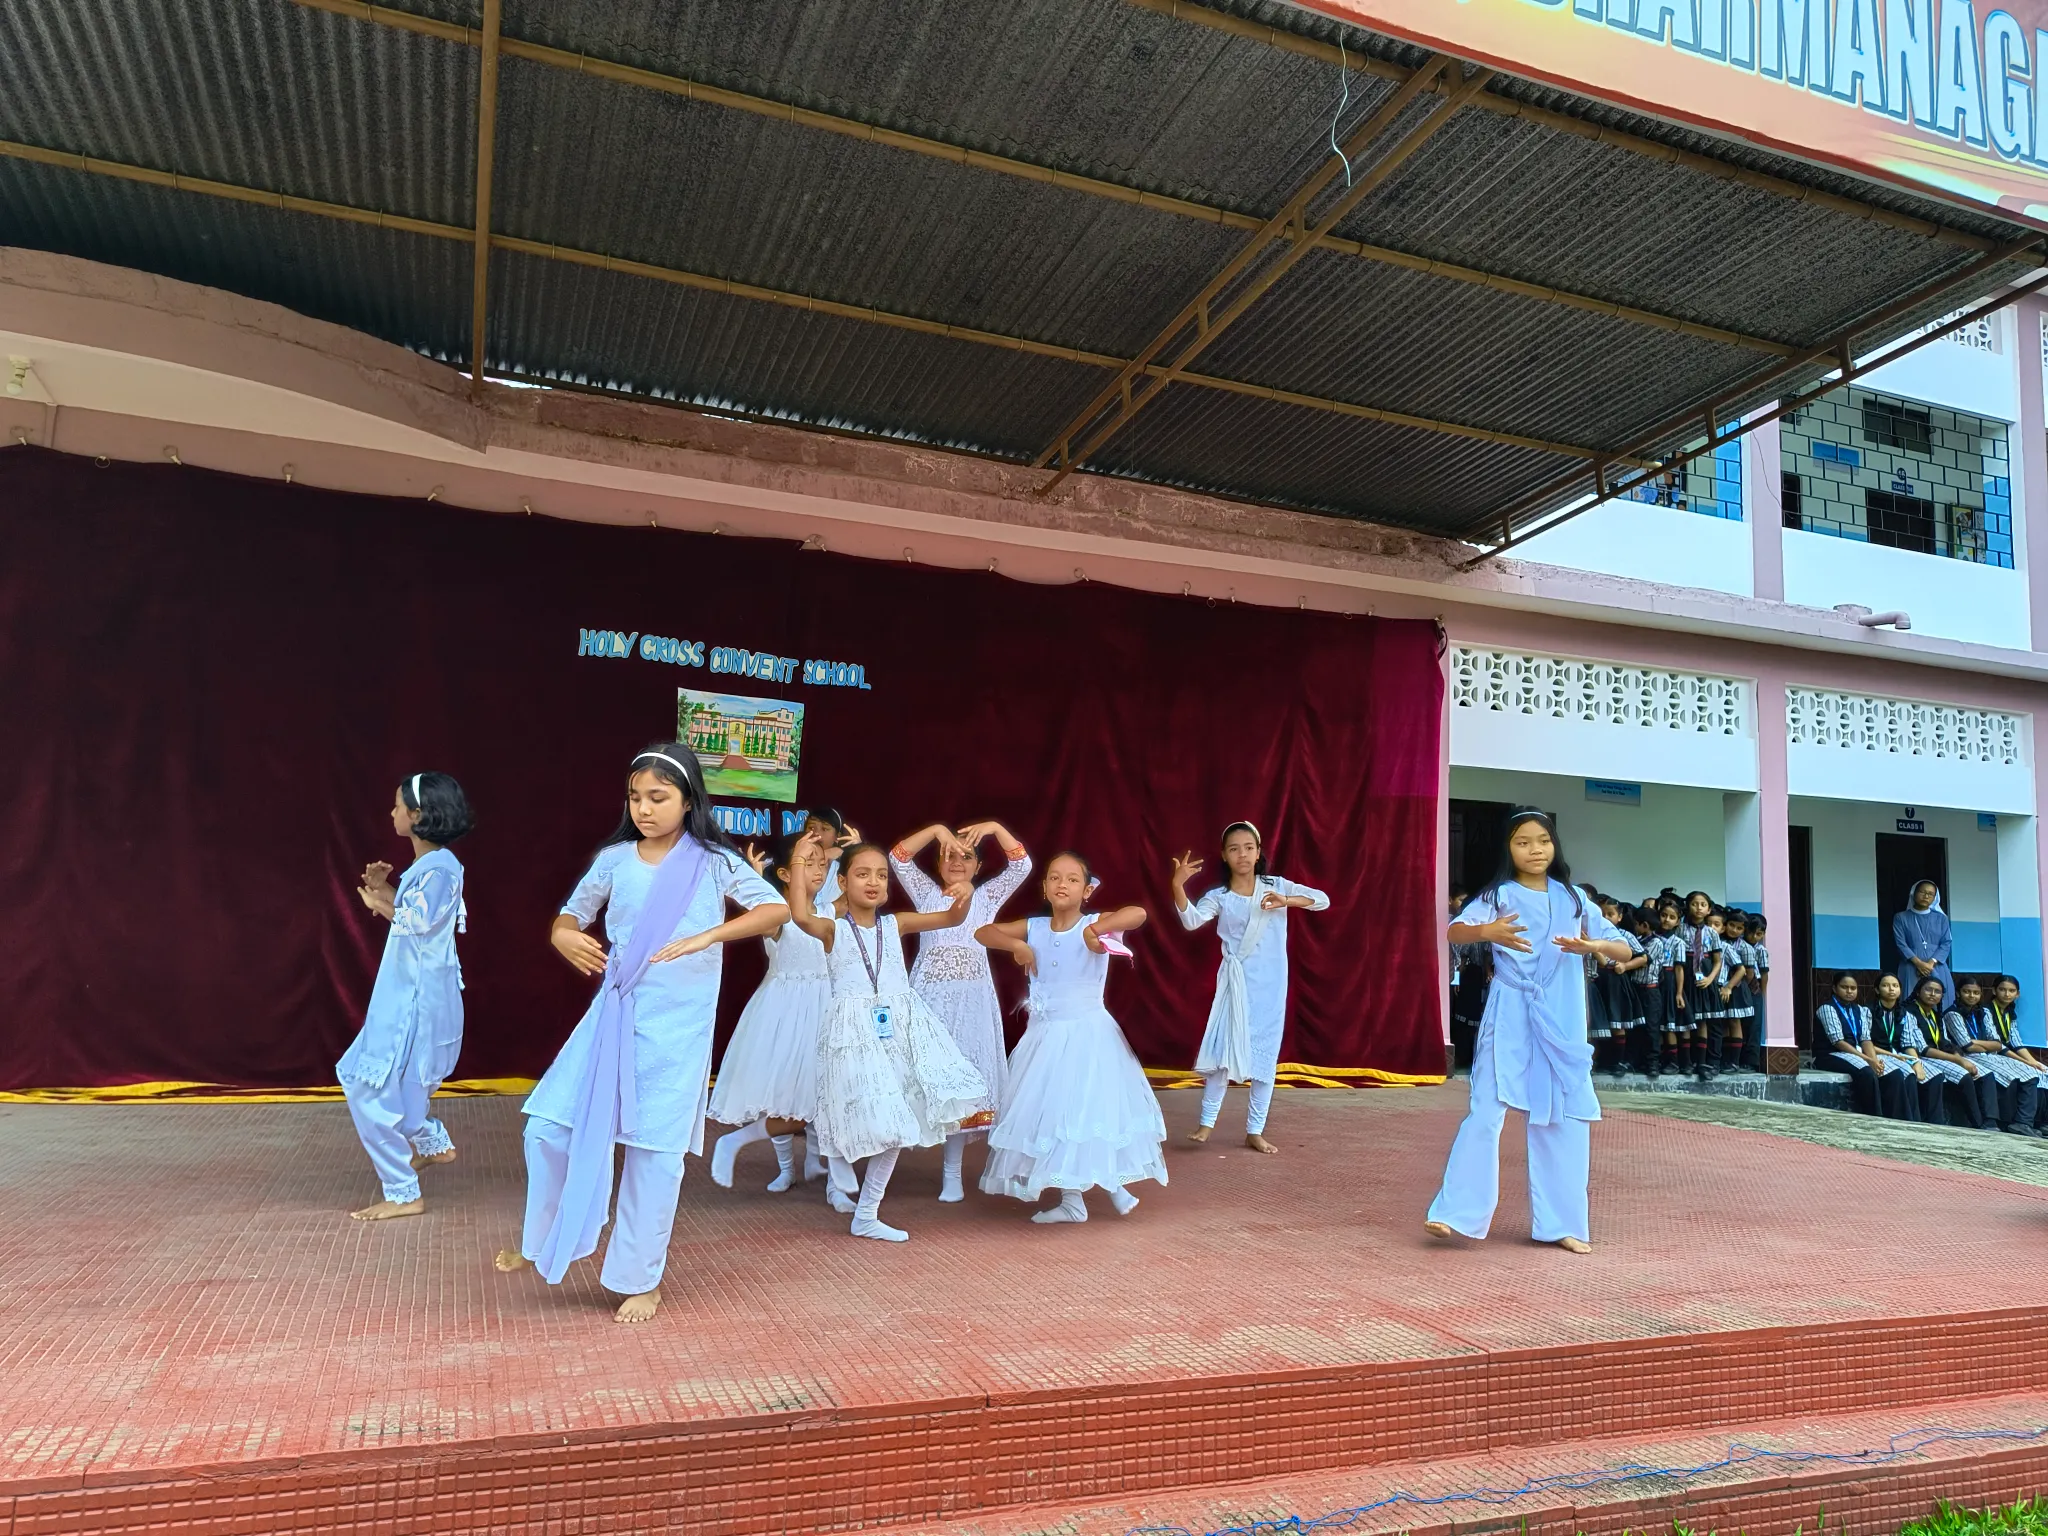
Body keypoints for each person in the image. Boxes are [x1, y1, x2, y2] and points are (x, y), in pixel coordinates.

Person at [495, 745, 789, 1324]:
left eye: (658, 797)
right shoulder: (614, 859)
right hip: (615, 1013)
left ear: (689, 801)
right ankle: (548, 1238)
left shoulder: (713, 861)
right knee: (548, 1126)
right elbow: (570, 915)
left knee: (655, 1154)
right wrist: (561, 935)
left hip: (679, 1025)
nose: (645, 809)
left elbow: (774, 910)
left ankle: (640, 1280)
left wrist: (708, 936)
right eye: (635, 798)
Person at [1425, 808, 1632, 1254]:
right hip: (1511, 1009)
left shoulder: (1574, 899)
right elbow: (1455, 931)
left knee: (1563, 1114)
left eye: (1543, 841)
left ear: (1555, 845)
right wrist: (1488, 931)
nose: (1535, 850)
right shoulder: (1499, 894)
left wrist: (1593, 945)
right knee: (1486, 1106)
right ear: (1508, 848)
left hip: (1561, 1013)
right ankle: (1455, 1211)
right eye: (1523, 842)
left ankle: (1564, 1224)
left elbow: (1623, 948)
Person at [788, 840, 986, 1242]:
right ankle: (841, 1182)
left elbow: (952, 917)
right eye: (862, 874)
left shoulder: (897, 924)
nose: (874, 882)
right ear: (842, 882)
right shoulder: (833, 928)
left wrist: (964, 895)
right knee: (862, 1114)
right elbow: (799, 915)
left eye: (881, 875)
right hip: (854, 1035)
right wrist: (797, 862)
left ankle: (866, 1213)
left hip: (898, 1030)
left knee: (897, 1123)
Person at [974, 852, 1165, 1223]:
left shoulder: (1094, 925)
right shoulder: (1034, 927)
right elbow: (983, 932)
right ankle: (1075, 1200)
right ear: (1045, 887)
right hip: (1045, 1037)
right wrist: (1017, 946)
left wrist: (1097, 929)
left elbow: (1138, 913)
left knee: (1086, 1110)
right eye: (1055, 877)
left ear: (1087, 891)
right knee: (1055, 1113)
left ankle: (1110, 1185)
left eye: (1073, 879)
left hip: (1087, 1034)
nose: (1063, 884)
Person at [339, 772, 474, 1221]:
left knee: (366, 1086)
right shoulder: (434, 867)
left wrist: (378, 902)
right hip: (416, 995)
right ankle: (431, 1143)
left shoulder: (439, 869)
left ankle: (402, 1190)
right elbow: (421, 922)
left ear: (417, 815)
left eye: (398, 806)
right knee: (402, 1088)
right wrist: (386, 893)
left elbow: (416, 922)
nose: (392, 812)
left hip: (414, 1002)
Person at [890, 820, 1034, 1201]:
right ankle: (881, 1163)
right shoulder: (925, 892)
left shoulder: (985, 897)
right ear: (938, 862)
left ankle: (951, 1172)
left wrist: (995, 828)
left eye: (966, 856)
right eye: (949, 855)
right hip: (928, 999)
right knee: (922, 1075)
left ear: (978, 866)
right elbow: (898, 857)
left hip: (972, 1002)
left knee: (963, 1080)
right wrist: (937, 830)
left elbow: (1022, 865)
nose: (957, 861)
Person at [1171, 822, 1330, 1154]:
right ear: (1224, 856)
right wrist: (1177, 885)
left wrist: (1287, 900)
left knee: (1264, 1058)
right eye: (1234, 849)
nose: (1242, 854)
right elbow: (1191, 921)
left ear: (1258, 852)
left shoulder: (1276, 885)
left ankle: (1254, 1131)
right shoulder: (1219, 897)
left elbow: (1322, 900)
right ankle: (1206, 1123)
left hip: (1271, 985)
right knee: (1222, 1051)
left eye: (1248, 847)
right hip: (1235, 984)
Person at [707, 833, 839, 1193]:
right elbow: (756, 916)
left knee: (824, 1090)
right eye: (808, 863)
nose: (818, 870)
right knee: (783, 1093)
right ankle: (785, 1168)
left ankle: (816, 1163)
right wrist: (754, 881)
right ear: (784, 873)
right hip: (785, 1012)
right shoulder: (777, 915)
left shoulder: (831, 911)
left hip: (827, 1005)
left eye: (822, 864)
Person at [1947, 976, 2044, 1136]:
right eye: (1967, 992)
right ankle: (2013, 1122)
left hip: (1989, 1054)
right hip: (1970, 1056)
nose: (1971, 996)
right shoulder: (1953, 1014)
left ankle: (2029, 1122)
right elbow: (1967, 1046)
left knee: (2034, 1073)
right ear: (1958, 993)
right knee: (2017, 1075)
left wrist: (1977, 1043)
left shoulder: (1983, 1012)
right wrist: (1984, 1045)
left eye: (1976, 993)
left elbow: (1997, 1043)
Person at [1810, 973, 1911, 1119]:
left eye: (1853, 988)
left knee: (1894, 1074)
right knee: (1866, 1072)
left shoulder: (1859, 1009)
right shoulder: (1827, 1008)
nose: (1849, 991)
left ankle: (1898, 1118)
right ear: (1834, 988)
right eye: (1844, 987)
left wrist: (1874, 1060)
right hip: (1830, 1054)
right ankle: (1874, 1117)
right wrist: (1867, 1060)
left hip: (1854, 1053)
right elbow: (1838, 1042)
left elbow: (1865, 1039)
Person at [1911, 974, 1999, 1129]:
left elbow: (1946, 1043)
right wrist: (1959, 1060)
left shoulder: (1935, 1014)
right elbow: (1924, 1049)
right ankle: (1978, 1124)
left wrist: (1960, 1059)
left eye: (1937, 991)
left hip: (1940, 1055)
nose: (1933, 994)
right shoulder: (1910, 1012)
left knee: (1982, 1074)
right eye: (1928, 990)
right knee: (1964, 1076)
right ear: (1918, 992)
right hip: (1921, 1056)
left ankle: (1989, 1121)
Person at [1871, 972, 1950, 1123]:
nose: (1891, 989)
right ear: (1876, 989)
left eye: (1895, 986)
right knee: (1907, 1075)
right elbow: (1866, 1042)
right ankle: (1910, 1121)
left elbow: (1908, 1043)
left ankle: (1935, 1123)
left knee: (1935, 1076)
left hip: (1900, 1055)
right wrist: (1899, 1059)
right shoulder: (1868, 1010)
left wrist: (1916, 1062)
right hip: (1877, 1054)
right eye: (1886, 985)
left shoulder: (1904, 1014)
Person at [1680, 892, 1723, 1079]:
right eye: (1694, 904)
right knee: (1687, 1020)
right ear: (1688, 906)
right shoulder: (1680, 929)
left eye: (1703, 904)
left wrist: (1710, 978)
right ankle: (1686, 1063)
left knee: (1703, 1020)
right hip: (1686, 974)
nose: (1698, 908)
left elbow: (1718, 961)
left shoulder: (1712, 933)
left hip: (1704, 977)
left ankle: (1702, 1062)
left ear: (1709, 909)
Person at [1893, 880, 1955, 1011]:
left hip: (1937, 966)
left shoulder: (1941, 918)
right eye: (1922, 892)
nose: (1926, 896)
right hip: (1911, 966)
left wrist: (1930, 964)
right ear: (1913, 893)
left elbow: (1946, 943)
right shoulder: (1901, 918)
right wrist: (1919, 964)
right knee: (1910, 1002)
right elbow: (1900, 943)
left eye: (1930, 894)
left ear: (1934, 898)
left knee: (1940, 1003)